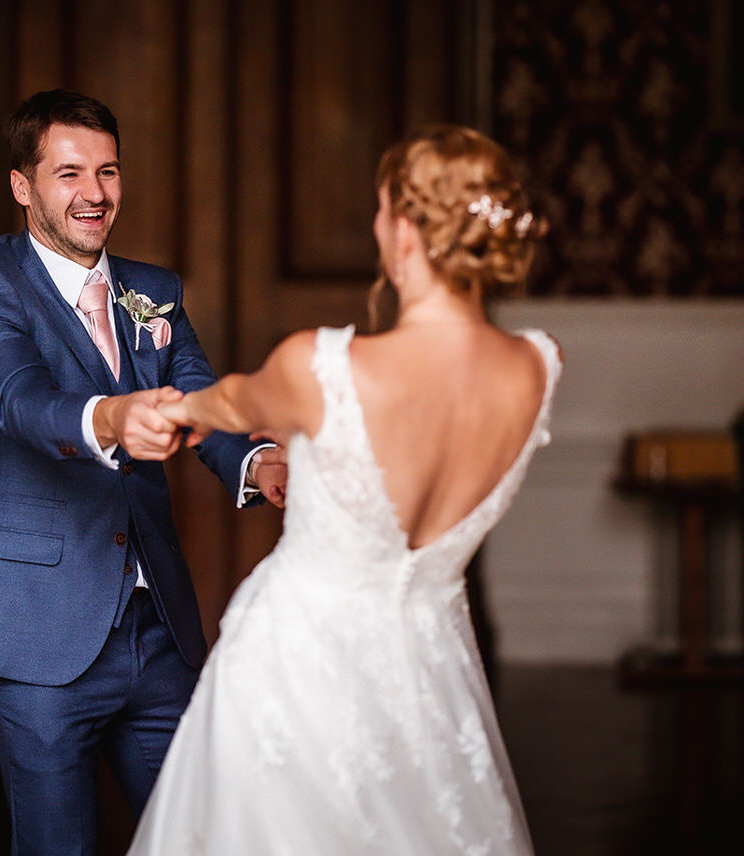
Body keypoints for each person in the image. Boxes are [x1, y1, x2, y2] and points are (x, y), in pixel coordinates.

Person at [128, 124, 560, 854]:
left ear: (408, 235)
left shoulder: (322, 366)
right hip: (431, 675)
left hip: (296, 669)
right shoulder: (537, 369)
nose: (375, 227)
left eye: (383, 210)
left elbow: (229, 403)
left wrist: (174, 409)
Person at [0, 89, 287, 855]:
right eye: (69, 174)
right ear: (23, 186)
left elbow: (199, 399)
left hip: (157, 630)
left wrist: (262, 462)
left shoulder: (153, 291)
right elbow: (20, 400)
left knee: (200, 840)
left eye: (108, 171)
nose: (94, 194)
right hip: (39, 635)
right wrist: (111, 417)